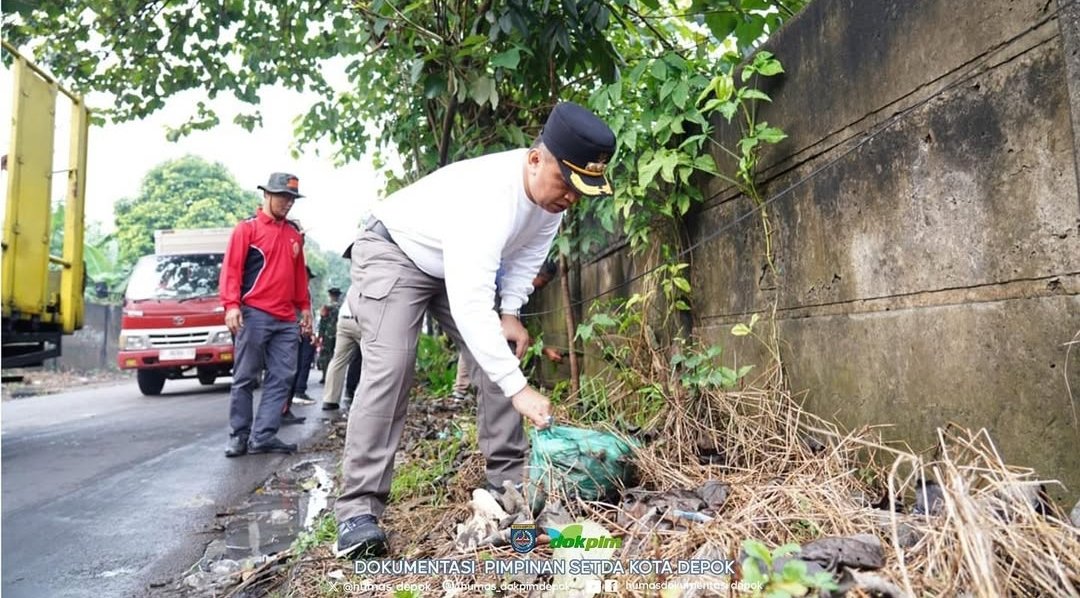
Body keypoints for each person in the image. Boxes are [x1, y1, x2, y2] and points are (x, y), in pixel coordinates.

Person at [335, 101, 616, 557]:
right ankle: (357, 512)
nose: (570, 197)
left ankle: (508, 483)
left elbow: (527, 257)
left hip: (452, 263)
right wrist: (520, 390)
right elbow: (469, 304)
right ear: (535, 159)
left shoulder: (551, 202)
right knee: (393, 366)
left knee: (499, 351)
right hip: (395, 251)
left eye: (580, 189)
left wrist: (510, 312)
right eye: (566, 183)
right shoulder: (489, 196)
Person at [220, 172, 313, 457]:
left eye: (292, 198)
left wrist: (305, 307)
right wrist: (231, 305)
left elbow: (298, 276)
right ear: (267, 195)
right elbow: (231, 269)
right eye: (283, 197)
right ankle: (239, 435)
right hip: (254, 314)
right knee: (245, 376)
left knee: (282, 376)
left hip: (286, 319)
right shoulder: (246, 229)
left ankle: (263, 436)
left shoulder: (293, 235)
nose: (288, 203)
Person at [322, 244, 364, 411]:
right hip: (359, 320)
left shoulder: (355, 277)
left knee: (338, 359)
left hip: (344, 320)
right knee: (373, 359)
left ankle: (330, 399)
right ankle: (364, 400)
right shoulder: (372, 274)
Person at [316, 287, 343, 383]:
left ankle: (325, 376)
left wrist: (320, 335)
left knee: (325, 356)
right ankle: (334, 377)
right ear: (338, 296)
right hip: (339, 334)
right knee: (337, 356)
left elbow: (323, 322)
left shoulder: (326, 307)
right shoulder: (342, 307)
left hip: (328, 335)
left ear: (330, 295)